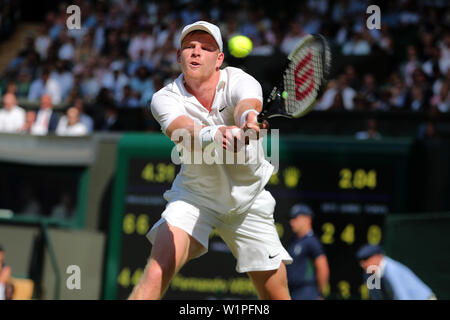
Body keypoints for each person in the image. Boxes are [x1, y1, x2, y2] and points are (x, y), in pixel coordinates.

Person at [129, 21, 293, 300]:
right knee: (156, 271)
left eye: (205, 48)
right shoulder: (163, 98)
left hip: (249, 201)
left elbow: (246, 106)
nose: (196, 52)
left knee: (276, 295)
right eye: (189, 47)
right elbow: (181, 130)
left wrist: (248, 123)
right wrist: (216, 133)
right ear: (179, 56)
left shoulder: (240, 80)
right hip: (195, 197)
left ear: (219, 59)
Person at [356, 244, 436, 300]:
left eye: (366, 259)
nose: (363, 264)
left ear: (378, 257)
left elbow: (403, 297)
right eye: (361, 261)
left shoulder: (392, 270)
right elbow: (376, 297)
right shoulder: (369, 274)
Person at [286, 204, 329, 300]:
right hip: (293, 292)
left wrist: (319, 294)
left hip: (307, 292)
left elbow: (323, 268)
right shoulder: (294, 241)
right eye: (291, 219)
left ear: (307, 219)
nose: (292, 222)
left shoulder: (312, 242)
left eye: (296, 218)